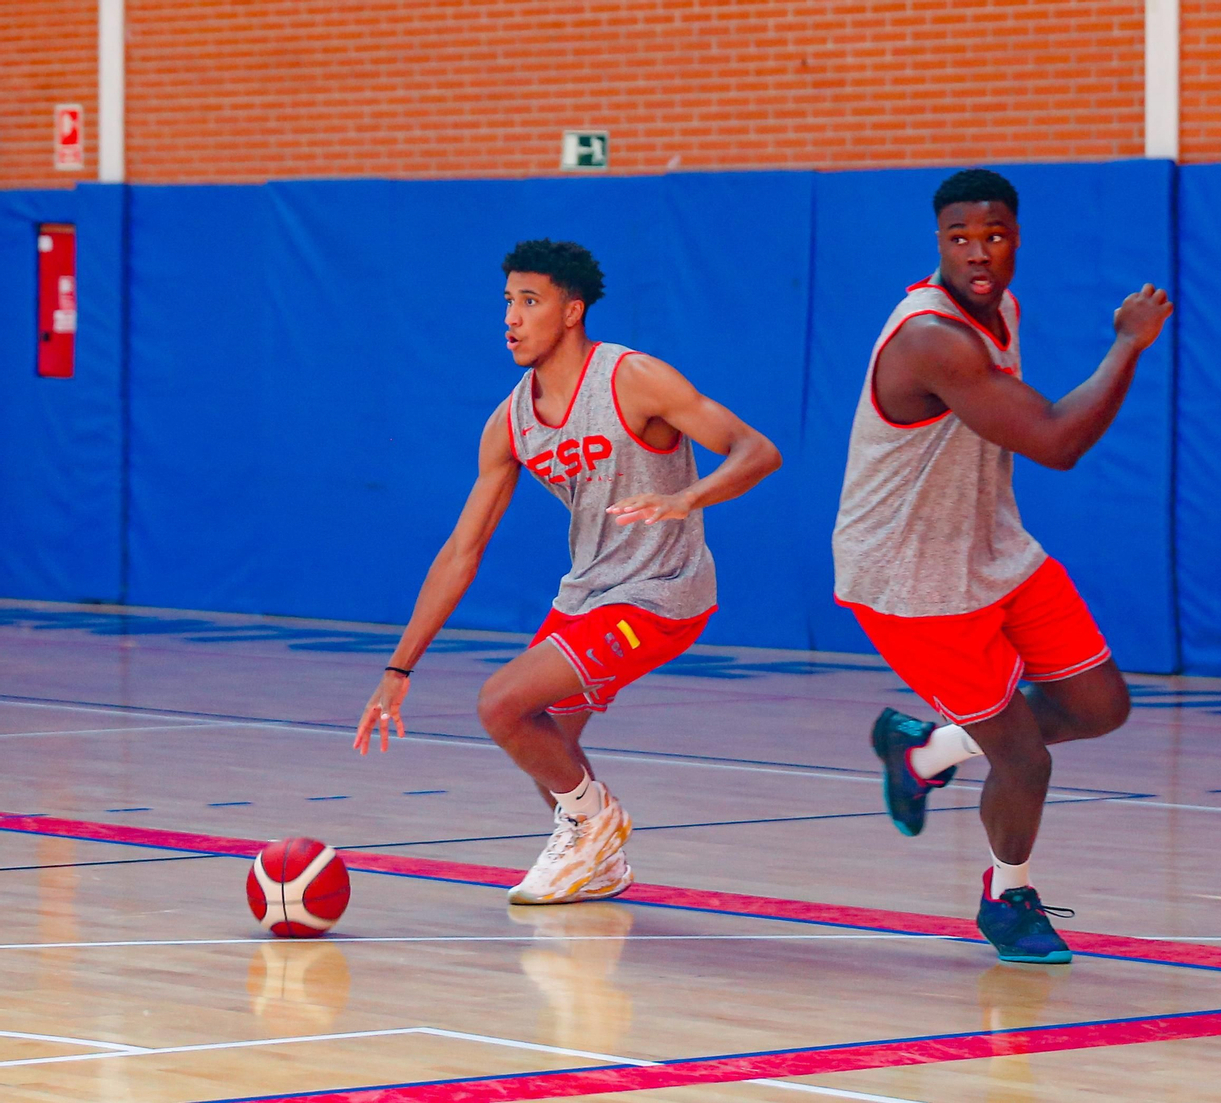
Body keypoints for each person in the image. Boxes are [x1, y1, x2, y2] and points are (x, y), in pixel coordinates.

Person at [355, 239, 781, 905]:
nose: (512, 318)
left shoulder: (633, 378)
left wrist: (685, 497)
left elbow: (759, 450)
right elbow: (462, 549)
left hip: (662, 594)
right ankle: (601, 860)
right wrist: (398, 667)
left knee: (501, 702)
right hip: (589, 593)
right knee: (545, 745)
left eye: (530, 301)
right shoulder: (511, 422)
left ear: (572, 310)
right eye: (507, 302)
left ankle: (595, 821)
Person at [832, 169, 1172, 963]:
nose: (978, 253)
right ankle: (1007, 896)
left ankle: (925, 752)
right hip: (911, 578)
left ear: (1017, 239)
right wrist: (1127, 342)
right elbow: (1056, 441)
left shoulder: (1001, 309)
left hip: (992, 547)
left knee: (1099, 704)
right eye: (960, 238)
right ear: (937, 242)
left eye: (994, 236)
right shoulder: (932, 338)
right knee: (1024, 755)